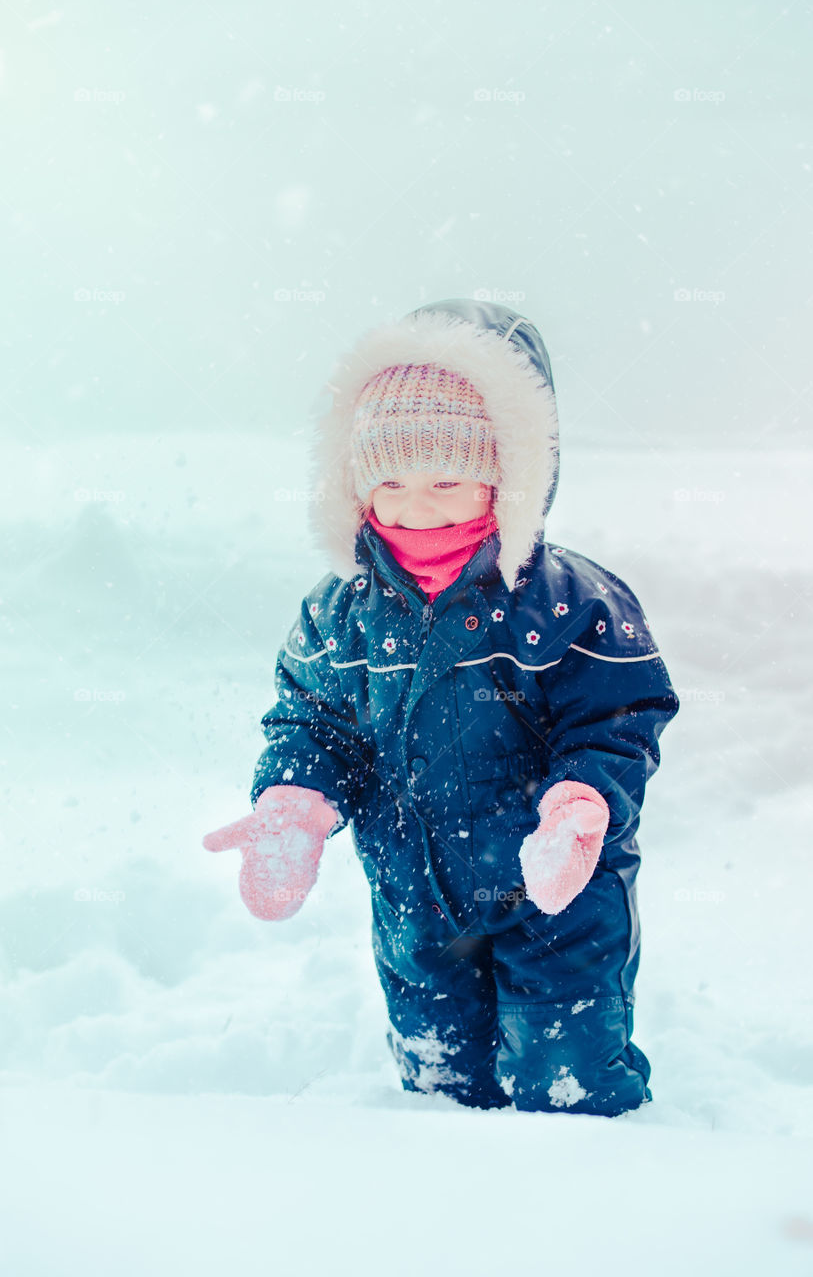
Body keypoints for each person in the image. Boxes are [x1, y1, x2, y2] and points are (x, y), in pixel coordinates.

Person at [203, 297, 680, 1115]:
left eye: (447, 480)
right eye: (389, 482)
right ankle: (449, 1223)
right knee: (440, 1091)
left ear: (508, 474)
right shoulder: (339, 613)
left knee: (566, 1079)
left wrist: (581, 801)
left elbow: (618, 716)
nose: (417, 507)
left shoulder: (568, 602)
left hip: (555, 894)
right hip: (414, 898)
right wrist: (296, 801)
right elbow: (313, 722)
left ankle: (600, 1208)